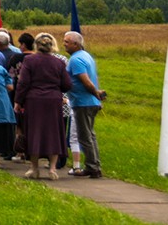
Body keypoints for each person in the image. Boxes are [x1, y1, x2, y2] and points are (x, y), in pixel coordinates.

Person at [14, 32, 72, 179]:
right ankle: (52, 169)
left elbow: (23, 83)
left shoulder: (30, 61)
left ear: (36, 46)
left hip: (34, 101)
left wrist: (18, 101)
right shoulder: (59, 63)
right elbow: (66, 84)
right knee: (54, 133)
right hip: (53, 101)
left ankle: (34, 168)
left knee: (34, 133)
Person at [64, 31, 105, 178]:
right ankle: (94, 164)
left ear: (76, 44)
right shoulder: (86, 56)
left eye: (67, 42)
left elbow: (86, 81)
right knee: (90, 135)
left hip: (83, 102)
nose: (64, 44)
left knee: (84, 137)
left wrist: (96, 93)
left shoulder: (75, 60)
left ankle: (92, 167)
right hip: (89, 102)